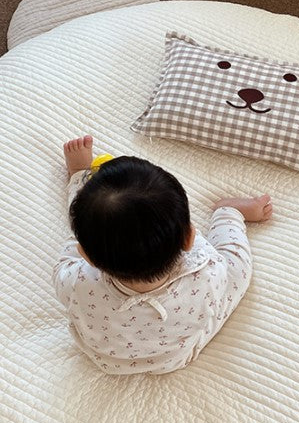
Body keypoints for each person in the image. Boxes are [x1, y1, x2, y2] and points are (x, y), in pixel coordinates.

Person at [53, 135, 272, 375]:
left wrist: (80, 179)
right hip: (176, 357)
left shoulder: (77, 282)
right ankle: (228, 213)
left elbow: (74, 246)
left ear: (87, 257)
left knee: (88, 227)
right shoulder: (206, 275)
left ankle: (79, 177)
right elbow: (221, 270)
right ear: (189, 238)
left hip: (107, 359)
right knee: (236, 268)